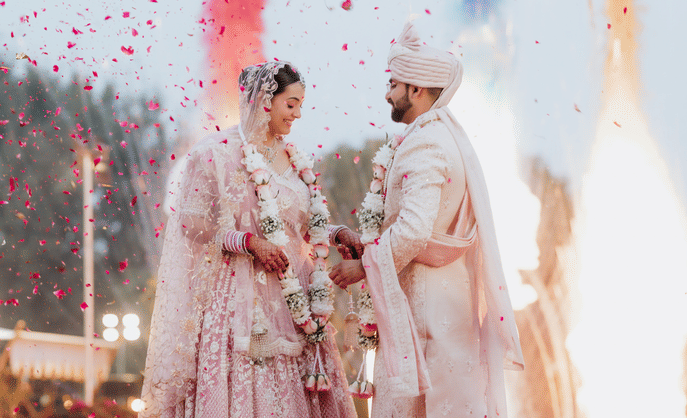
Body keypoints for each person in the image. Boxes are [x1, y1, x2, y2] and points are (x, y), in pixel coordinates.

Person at [140, 61, 358, 418]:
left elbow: (302, 227)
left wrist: (337, 234)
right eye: (292, 104)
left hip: (295, 302)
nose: (298, 114)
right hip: (239, 303)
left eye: (301, 105)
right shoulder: (216, 152)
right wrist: (247, 242)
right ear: (265, 101)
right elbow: (190, 222)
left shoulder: (294, 158)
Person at [330, 22, 524, 418]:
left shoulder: (425, 145)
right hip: (443, 306)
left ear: (415, 90)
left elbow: (415, 230)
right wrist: (364, 242)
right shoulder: (441, 136)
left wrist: (362, 267)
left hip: (426, 314)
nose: (387, 93)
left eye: (394, 84)